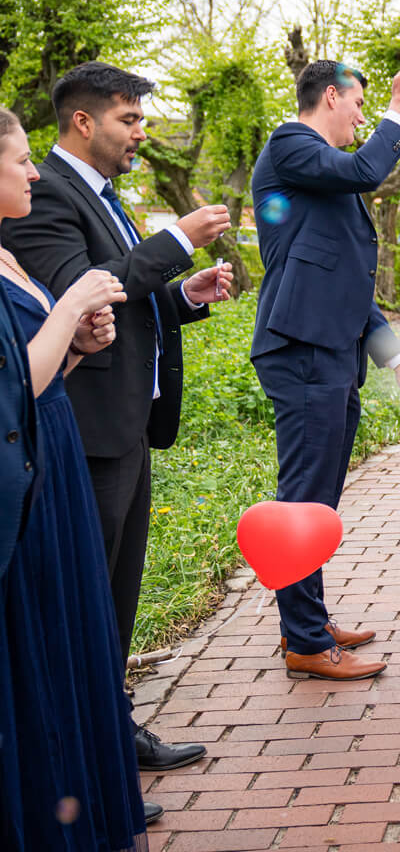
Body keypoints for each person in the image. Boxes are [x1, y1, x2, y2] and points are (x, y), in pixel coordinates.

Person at [0, 62, 230, 781]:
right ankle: (91, 759)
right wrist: (179, 241)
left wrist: (182, 295)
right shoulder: (49, 197)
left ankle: (114, 730)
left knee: (117, 597)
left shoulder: (105, 196)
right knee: (88, 596)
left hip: (128, 423)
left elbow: (127, 296)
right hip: (89, 428)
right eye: (130, 120)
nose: (141, 134)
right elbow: (82, 290)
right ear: (84, 122)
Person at [0, 106, 155, 847]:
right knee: (40, 642)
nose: (33, 171)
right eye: (20, 159)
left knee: (80, 630)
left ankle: (89, 792)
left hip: (55, 445)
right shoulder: (28, 235)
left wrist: (79, 346)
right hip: (33, 464)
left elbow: (39, 368)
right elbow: (7, 391)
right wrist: (71, 307)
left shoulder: (6, 256)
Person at [250, 60, 400, 680]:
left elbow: (344, 283)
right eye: (358, 105)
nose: (360, 117)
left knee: (318, 500)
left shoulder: (319, 182)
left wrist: (394, 357)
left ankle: (310, 619)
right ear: (331, 96)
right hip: (301, 350)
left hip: (329, 350)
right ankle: (303, 642)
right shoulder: (291, 143)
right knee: (303, 500)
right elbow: (365, 169)